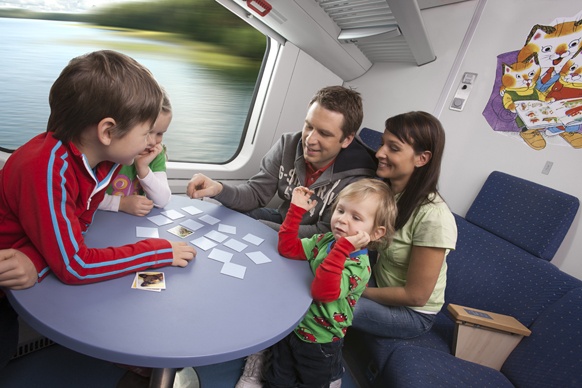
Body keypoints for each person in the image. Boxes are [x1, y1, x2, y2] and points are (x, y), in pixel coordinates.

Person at [0, 50, 196, 287]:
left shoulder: (104, 163)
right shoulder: (46, 169)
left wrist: (35, 261)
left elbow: (79, 225)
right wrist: (158, 252)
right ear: (107, 132)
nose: (149, 143)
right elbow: (76, 267)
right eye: (145, 133)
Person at [187, 85, 377, 239]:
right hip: (283, 219)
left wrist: (262, 229)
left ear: (347, 140)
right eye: (309, 126)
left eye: (324, 133)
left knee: (251, 226)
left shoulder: (357, 180)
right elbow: (255, 194)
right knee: (231, 216)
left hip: (314, 242)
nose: (310, 139)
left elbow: (324, 232)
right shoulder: (288, 144)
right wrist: (218, 189)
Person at [262, 179, 397, 387]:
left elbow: (322, 291)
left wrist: (341, 250)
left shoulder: (358, 267)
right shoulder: (325, 240)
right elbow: (288, 248)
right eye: (340, 210)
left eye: (356, 217)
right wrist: (296, 211)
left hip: (320, 341)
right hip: (293, 325)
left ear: (375, 233)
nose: (342, 220)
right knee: (277, 379)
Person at [351, 111, 457, 340]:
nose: (380, 153)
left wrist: (358, 291)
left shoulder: (434, 216)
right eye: (382, 144)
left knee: (334, 304)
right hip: (379, 282)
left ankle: (329, 373)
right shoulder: (387, 194)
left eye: (394, 148)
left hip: (412, 313)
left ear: (422, 159)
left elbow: (416, 296)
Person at [98, 88, 172, 216]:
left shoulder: (155, 154)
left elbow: (162, 200)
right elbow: (87, 198)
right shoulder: (112, 152)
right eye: (148, 132)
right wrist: (121, 204)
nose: (153, 142)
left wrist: (142, 167)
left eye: (160, 133)